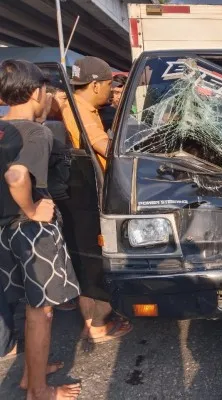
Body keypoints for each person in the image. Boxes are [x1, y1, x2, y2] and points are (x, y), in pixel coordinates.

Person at [0, 59, 82, 399]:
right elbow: (17, 176)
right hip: (30, 231)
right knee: (41, 311)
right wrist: (34, 209)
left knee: (23, 303)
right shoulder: (36, 132)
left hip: (3, 229)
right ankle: (37, 391)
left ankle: (30, 374)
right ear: (37, 92)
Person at [61, 56, 132, 346]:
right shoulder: (84, 112)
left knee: (84, 257)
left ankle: (91, 321)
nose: (108, 90)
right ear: (94, 85)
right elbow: (103, 146)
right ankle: (99, 324)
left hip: (76, 194)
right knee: (98, 259)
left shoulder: (69, 105)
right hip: (88, 194)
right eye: (107, 85)